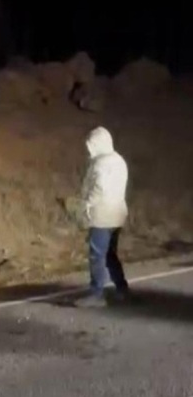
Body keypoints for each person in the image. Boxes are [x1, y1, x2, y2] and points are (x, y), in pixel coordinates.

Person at [74, 126, 130, 308]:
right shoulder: (119, 160)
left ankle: (97, 294)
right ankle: (122, 289)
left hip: (102, 215)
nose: (88, 149)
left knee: (97, 255)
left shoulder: (101, 164)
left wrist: (86, 205)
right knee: (110, 254)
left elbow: (99, 188)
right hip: (117, 214)